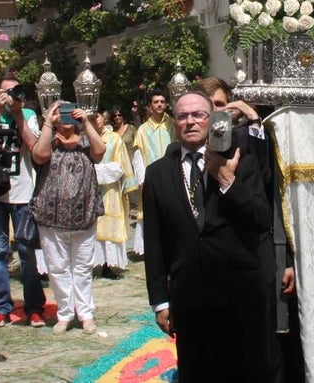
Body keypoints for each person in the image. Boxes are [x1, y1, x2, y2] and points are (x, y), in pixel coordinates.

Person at [143, 90, 272, 382]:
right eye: (182, 116)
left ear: (212, 119)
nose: (190, 121)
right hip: (190, 300)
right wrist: (160, 302)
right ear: (174, 122)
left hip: (240, 295)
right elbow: (154, 242)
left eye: (198, 114)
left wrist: (226, 179)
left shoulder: (239, 159)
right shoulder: (158, 173)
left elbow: (261, 219)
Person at [196, 76, 302, 383]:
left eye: (221, 105)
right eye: (209, 107)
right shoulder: (179, 152)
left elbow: (268, 195)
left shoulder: (243, 144)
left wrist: (254, 120)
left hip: (249, 263)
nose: (216, 113)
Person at [0, 76, 45, 328]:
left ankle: (34, 306)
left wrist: (17, 114)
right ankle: (1, 305)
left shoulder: (27, 113)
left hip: (22, 192)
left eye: (15, 91)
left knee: (26, 250)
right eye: (6, 91)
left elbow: (35, 147)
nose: (11, 95)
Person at [31, 102, 106, 334]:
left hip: (84, 216)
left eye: (68, 112)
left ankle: (85, 313)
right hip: (51, 218)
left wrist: (86, 122)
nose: (65, 117)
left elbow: (100, 152)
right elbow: (40, 155)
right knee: (58, 268)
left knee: (83, 268)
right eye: (60, 113)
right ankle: (65, 313)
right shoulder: (49, 143)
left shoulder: (85, 143)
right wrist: (47, 123)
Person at [94, 110, 135, 278]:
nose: (95, 121)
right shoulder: (84, 137)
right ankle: (94, 262)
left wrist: (95, 173)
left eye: (96, 116)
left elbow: (120, 165)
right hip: (90, 191)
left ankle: (108, 264)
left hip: (110, 190)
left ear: (103, 118)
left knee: (108, 226)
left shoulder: (114, 138)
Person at [132, 88, 173, 256]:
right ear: (150, 106)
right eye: (156, 102)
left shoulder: (173, 124)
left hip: (172, 176)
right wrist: (142, 179)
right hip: (153, 179)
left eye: (162, 102)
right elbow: (138, 156)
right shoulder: (142, 129)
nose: (159, 105)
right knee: (152, 213)